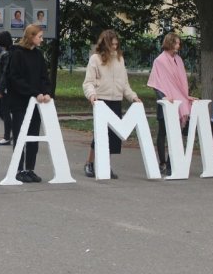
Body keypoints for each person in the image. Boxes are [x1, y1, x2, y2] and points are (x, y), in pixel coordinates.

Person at [82, 29, 141, 179]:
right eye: (112, 44)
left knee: (113, 136)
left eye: (116, 44)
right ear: (105, 44)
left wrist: (133, 97)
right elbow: (88, 82)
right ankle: (90, 163)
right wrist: (92, 95)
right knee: (100, 135)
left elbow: (124, 84)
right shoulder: (95, 59)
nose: (115, 47)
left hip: (116, 100)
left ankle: (105, 165)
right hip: (100, 99)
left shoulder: (120, 60)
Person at [6, 25, 52, 182]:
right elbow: (15, 78)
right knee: (20, 135)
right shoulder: (17, 53)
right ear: (31, 36)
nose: (41, 39)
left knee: (33, 135)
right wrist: (34, 92)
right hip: (20, 101)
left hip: (36, 102)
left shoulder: (38, 54)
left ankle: (30, 168)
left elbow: (44, 76)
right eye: (39, 36)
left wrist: (46, 93)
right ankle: (18, 169)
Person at [147, 32, 196, 176]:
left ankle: (170, 163)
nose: (178, 46)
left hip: (179, 102)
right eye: (176, 43)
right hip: (166, 102)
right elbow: (157, 83)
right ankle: (162, 162)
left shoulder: (179, 60)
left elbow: (180, 82)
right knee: (163, 132)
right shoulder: (159, 61)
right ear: (169, 43)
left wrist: (186, 96)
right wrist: (164, 97)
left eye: (179, 43)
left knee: (176, 133)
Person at [0, 31, 14, 145]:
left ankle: (7, 136)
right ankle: (11, 132)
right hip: (2, 86)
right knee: (1, 110)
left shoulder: (7, 54)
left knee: (4, 111)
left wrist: (1, 89)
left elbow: (5, 72)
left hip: (5, 88)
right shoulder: (4, 52)